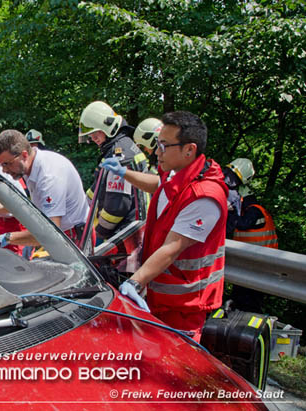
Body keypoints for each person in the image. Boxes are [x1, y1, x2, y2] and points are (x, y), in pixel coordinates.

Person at [100, 111, 228, 342]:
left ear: (189, 149)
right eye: (158, 143)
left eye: (164, 145)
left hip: (183, 306)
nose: (157, 151)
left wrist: (135, 281)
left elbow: (173, 247)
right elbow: (159, 185)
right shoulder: (177, 172)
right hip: (161, 294)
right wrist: (124, 173)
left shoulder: (204, 197)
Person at [0, 130, 89, 247]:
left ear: (24, 155)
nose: (4, 170)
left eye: (7, 164)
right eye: (1, 165)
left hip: (74, 239)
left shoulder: (49, 176)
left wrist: (8, 238)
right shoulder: (26, 166)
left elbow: (51, 234)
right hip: (64, 235)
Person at [78, 101, 149, 240]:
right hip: (131, 229)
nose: (93, 138)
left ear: (108, 127)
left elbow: (116, 207)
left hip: (124, 234)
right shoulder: (123, 146)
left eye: (96, 132)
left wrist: (98, 233)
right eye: (90, 134)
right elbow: (96, 190)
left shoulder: (119, 156)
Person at [224, 158, 278, 313]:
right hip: (246, 266)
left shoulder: (255, 211)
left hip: (259, 268)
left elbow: (241, 224)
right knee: (239, 302)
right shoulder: (250, 210)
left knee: (250, 305)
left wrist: (230, 211)